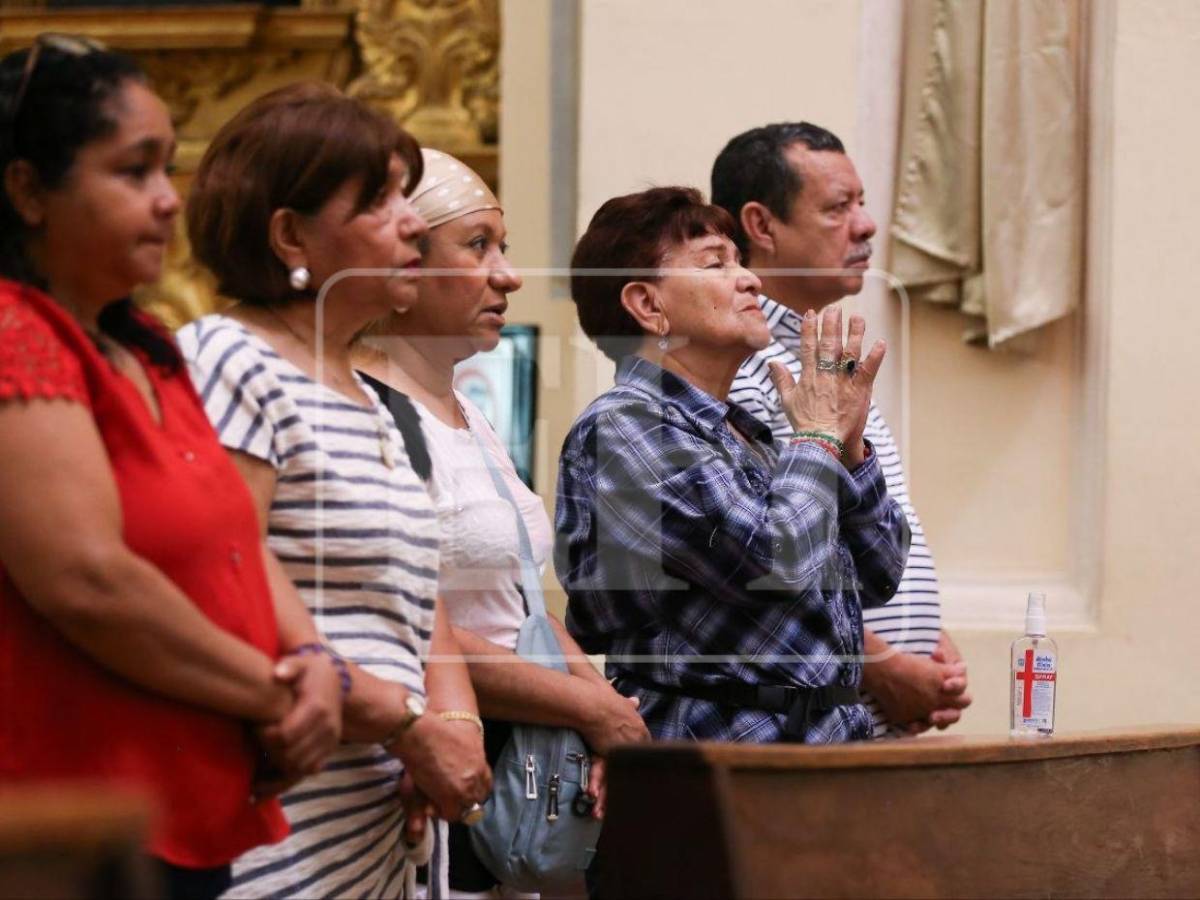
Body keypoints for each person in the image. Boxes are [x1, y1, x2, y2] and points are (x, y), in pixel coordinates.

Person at [0, 37, 345, 900]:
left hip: (183, 803)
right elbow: (87, 579)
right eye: (134, 172)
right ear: (28, 190)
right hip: (72, 824)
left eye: (169, 168)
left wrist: (310, 656)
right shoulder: (14, 332)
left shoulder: (146, 346)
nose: (168, 201)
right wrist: (272, 695)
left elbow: (233, 530)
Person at [177, 84, 490, 898]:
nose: (414, 220)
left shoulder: (368, 397)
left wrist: (446, 731)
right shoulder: (229, 359)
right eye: (380, 200)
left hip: (376, 831)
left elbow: (414, 608)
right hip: (278, 828)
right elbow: (226, 584)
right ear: (290, 234)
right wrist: (407, 726)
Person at [356, 148, 648, 896]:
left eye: (505, 248)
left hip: (512, 760)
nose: (508, 276)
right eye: (478, 246)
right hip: (425, 772)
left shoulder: (468, 415)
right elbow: (425, 624)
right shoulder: (368, 416)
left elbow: (522, 606)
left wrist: (611, 716)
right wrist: (587, 706)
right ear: (403, 263)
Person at [556, 186, 911, 744]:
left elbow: (881, 572)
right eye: (716, 264)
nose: (750, 280)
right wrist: (818, 435)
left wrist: (849, 444)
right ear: (648, 306)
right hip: (722, 757)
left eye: (740, 261)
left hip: (825, 749)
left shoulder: (748, 432)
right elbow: (777, 559)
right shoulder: (626, 427)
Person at [711, 122, 972, 736]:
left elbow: (849, 531)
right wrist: (882, 665)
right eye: (837, 208)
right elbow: (762, 567)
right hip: (811, 721)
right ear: (762, 225)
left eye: (861, 202)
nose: (866, 224)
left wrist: (925, 628)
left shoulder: (821, 350)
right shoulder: (744, 369)